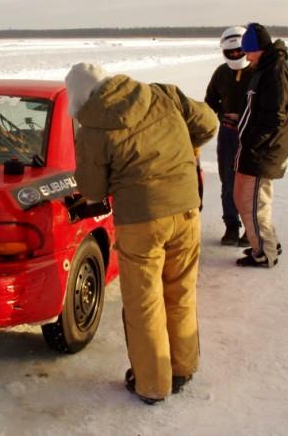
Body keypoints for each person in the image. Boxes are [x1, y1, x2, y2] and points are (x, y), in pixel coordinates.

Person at [65, 63, 218, 404]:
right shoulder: (163, 94)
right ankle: (182, 368)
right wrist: (179, 148)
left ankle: (151, 383)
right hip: (187, 208)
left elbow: (92, 189)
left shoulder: (92, 128)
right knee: (180, 291)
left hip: (141, 221)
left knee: (144, 302)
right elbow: (209, 123)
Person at [233, 23, 288, 268]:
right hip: (255, 150)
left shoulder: (275, 71)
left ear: (259, 48)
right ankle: (265, 243)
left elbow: (273, 118)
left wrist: (252, 142)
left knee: (253, 204)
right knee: (246, 200)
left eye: (249, 51)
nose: (246, 57)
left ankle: (265, 254)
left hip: (262, 152)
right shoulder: (266, 68)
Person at [205, 26, 253, 247]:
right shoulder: (221, 73)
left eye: (238, 51)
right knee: (228, 182)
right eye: (230, 52)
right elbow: (209, 103)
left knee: (249, 182)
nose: (235, 55)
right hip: (227, 135)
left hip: (251, 135)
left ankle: (250, 228)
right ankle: (231, 226)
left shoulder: (257, 71)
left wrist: (242, 115)